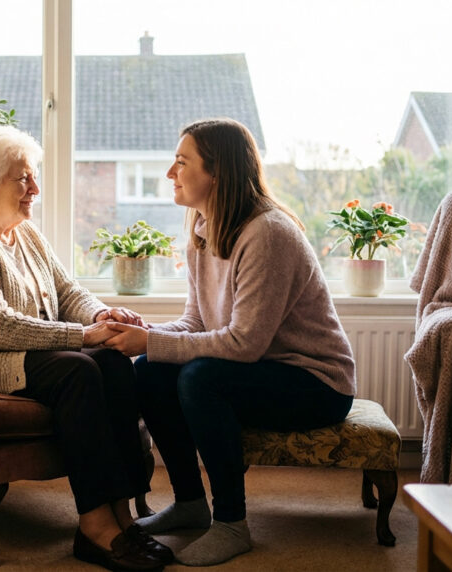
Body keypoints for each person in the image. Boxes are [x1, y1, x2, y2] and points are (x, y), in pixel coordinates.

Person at [0, 125, 172, 571]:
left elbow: (69, 291)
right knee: (80, 370)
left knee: (113, 361)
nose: (35, 189)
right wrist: (81, 336)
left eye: (33, 178)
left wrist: (101, 318)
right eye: (23, 179)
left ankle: (123, 515)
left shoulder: (25, 233)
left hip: (31, 352)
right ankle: (94, 526)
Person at [103, 118, 356, 566]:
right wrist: (144, 337)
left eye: (182, 162)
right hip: (257, 370)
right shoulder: (202, 229)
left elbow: (244, 345)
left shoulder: (268, 233)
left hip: (315, 382)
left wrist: (152, 341)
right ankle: (190, 504)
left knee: (201, 379)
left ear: (217, 173)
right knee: (148, 370)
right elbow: (197, 321)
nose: (170, 173)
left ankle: (232, 523)